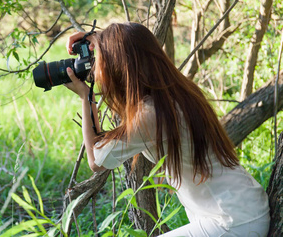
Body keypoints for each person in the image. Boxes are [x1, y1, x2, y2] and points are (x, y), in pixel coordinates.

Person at [64, 22, 270, 237]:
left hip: (231, 222)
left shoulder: (152, 114)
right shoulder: (179, 93)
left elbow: (96, 160)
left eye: (100, 61)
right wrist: (99, 37)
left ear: (120, 66)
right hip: (244, 208)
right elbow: (132, 44)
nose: (96, 69)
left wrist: (86, 97)